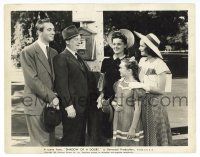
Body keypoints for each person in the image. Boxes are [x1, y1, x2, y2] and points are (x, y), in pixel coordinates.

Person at [20, 18, 59, 146]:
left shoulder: (54, 53)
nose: (53, 32)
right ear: (39, 32)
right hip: (36, 105)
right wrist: (52, 97)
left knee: (50, 144)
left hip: (51, 107)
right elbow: (32, 80)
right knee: (41, 146)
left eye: (53, 29)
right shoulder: (28, 51)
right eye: (49, 29)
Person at [134, 31, 173, 146]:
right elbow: (138, 79)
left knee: (154, 134)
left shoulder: (159, 64)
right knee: (143, 133)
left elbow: (161, 90)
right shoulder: (142, 61)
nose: (139, 48)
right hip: (141, 101)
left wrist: (143, 86)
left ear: (149, 48)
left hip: (154, 104)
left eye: (142, 45)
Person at [53, 25, 89, 146]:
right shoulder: (61, 58)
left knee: (80, 141)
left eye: (79, 38)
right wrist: (68, 106)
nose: (79, 41)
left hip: (82, 107)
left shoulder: (78, 57)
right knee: (70, 140)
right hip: (72, 108)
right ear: (67, 41)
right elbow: (61, 85)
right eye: (75, 39)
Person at [97, 29, 135, 145]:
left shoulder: (129, 62)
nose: (116, 46)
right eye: (114, 44)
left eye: (119, 44)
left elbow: (132, 82)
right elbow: (102, 81)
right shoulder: (106, 61)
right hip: (108, 100)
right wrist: (100, 96)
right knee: (107, 131)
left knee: (121, 131)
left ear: (124, 45)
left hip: (122, 100)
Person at [111, 58, 144, 146]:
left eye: (121, 68)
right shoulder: (118, 83)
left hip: (130, 121)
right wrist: (115, 106)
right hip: (118, 120)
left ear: (129, 71)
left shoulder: (136, 86)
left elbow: (138, 109)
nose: (119, 69)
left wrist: (133, 128)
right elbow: (114, 101)